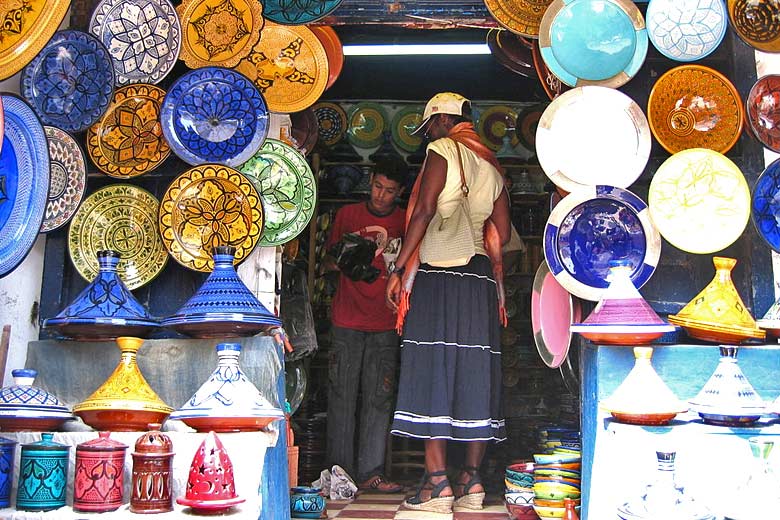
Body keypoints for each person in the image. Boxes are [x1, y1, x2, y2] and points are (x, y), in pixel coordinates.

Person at [385, 92, 511, 513]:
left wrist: (399, 268)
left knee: (432, 369)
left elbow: (422, 211)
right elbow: (504, 234)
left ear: (441, 122)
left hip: (439, 275)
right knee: (475, 369)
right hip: (477, 279)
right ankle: (471, 483)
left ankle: (437, 485)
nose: (428, 138)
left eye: (429, 128)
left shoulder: (443, 150)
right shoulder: (491, 164)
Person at [324, 158, 407, 493]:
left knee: (379, 398)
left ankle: (371, 472)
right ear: (370, 181)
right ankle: (338, 472)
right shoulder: (347, 215)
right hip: (346, 318)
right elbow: (328, 263)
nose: (381, 195)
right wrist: (347, 261)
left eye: (389, 191)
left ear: (400, 193)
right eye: (377, 186)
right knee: (341, 396)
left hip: (386, 322)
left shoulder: (405, 221)